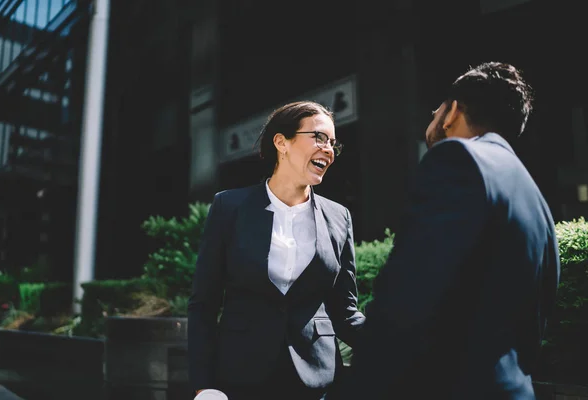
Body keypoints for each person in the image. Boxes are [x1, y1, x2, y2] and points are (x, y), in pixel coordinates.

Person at [334, 62, 560, 399]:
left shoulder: (456, 159)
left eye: (437, 109)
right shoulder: (533, 195)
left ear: (453, 111)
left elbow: (406, 299)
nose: (434, 116)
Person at [187, 100, 366, 400]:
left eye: (333, 143)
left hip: (316, 382)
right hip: (240, 377)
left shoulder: (339, 217)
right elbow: (203, 304)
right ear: (282, 142)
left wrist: (393, 343)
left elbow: (345, 311)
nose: (329, 150)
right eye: (319, 138)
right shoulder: (229, 207)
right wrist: (204, 386)